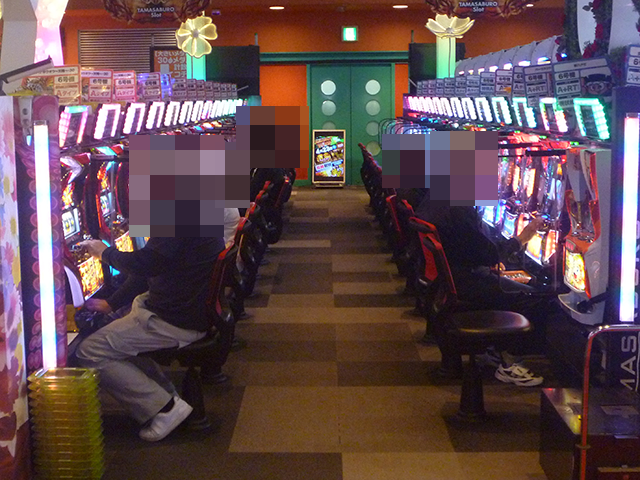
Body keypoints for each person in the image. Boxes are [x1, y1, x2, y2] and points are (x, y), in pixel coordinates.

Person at [76, 237, 226, 441]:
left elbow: (147, 263)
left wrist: (105, 253)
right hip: (190, 309)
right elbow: (152, 264)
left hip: (176, 318)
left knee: (89, 351)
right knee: (115, 330)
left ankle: (164, 410)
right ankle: (165, 395)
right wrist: (112, 302)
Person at [417, 201, 550, 387]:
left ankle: (496, 352)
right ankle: (510, 363)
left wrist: (489, 260)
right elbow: (488, 252)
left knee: (522, 286)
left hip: (454, 278)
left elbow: (477, 251)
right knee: (534, 297)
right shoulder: (459, 210)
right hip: (466, 283)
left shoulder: (447, 203)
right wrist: (522, 238)